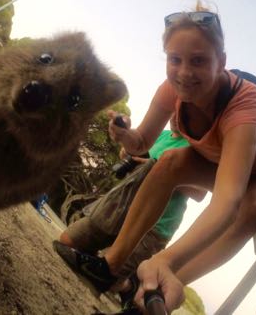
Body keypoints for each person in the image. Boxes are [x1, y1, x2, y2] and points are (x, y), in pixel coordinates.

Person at [67, 1, 256, 312]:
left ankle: (163, 286)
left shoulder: (245, 106)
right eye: (175, 59)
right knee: (170, 161)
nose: (185, 73)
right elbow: (141, 143)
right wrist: (124, 135)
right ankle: (109, 264)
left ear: (221, 61)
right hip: (215, 163)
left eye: (199, 61)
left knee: (254, 204)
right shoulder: (170, 90)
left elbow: (227, 203)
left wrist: (165, 258)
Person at [54, 129, 204, 311]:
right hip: (121, 208)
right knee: (67, 240)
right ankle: (119, 276)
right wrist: (130, 154)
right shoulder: (163, 135)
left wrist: (158, 169)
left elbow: (199, 193)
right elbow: (137, 155)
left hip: (156, 226)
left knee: (105, 278)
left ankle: (127, 285)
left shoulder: (196, 149)